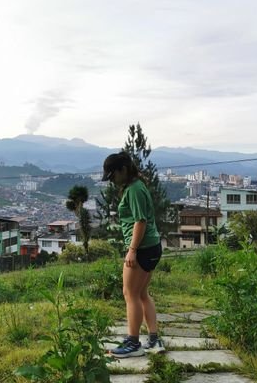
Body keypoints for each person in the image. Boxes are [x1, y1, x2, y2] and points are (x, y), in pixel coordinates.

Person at [102, 151, 165, 358]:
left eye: (112, 176)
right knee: (142, 294)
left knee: (130, 294)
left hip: (143, 248)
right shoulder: (136, 185)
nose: (111, 181)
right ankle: (154, 340)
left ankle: (133, 343)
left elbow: (140, 221)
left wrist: (132, 250)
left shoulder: (134, 189)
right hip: (151, 246)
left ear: (123, 170)